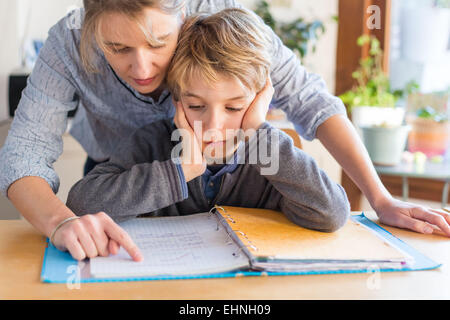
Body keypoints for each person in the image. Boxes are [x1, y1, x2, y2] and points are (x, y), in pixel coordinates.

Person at [0, 0, 448, 262]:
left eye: (158, 44)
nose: (142, 68)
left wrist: (380, 197)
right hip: (130, 168)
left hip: (244, 171)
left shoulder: (220, 30)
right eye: (118, 47)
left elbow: (314, 103)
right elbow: (24, 156)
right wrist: (63, 223)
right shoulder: (68, 43)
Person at [66, 8, 350, 243]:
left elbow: (332, 213)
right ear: (177, 100)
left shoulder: (269, 160)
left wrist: (258, 132)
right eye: (196, 106)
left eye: (234, 107)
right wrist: (180, 170)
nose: (213, 125)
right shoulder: (151, 144)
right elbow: (81, 204)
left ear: (260, 100)